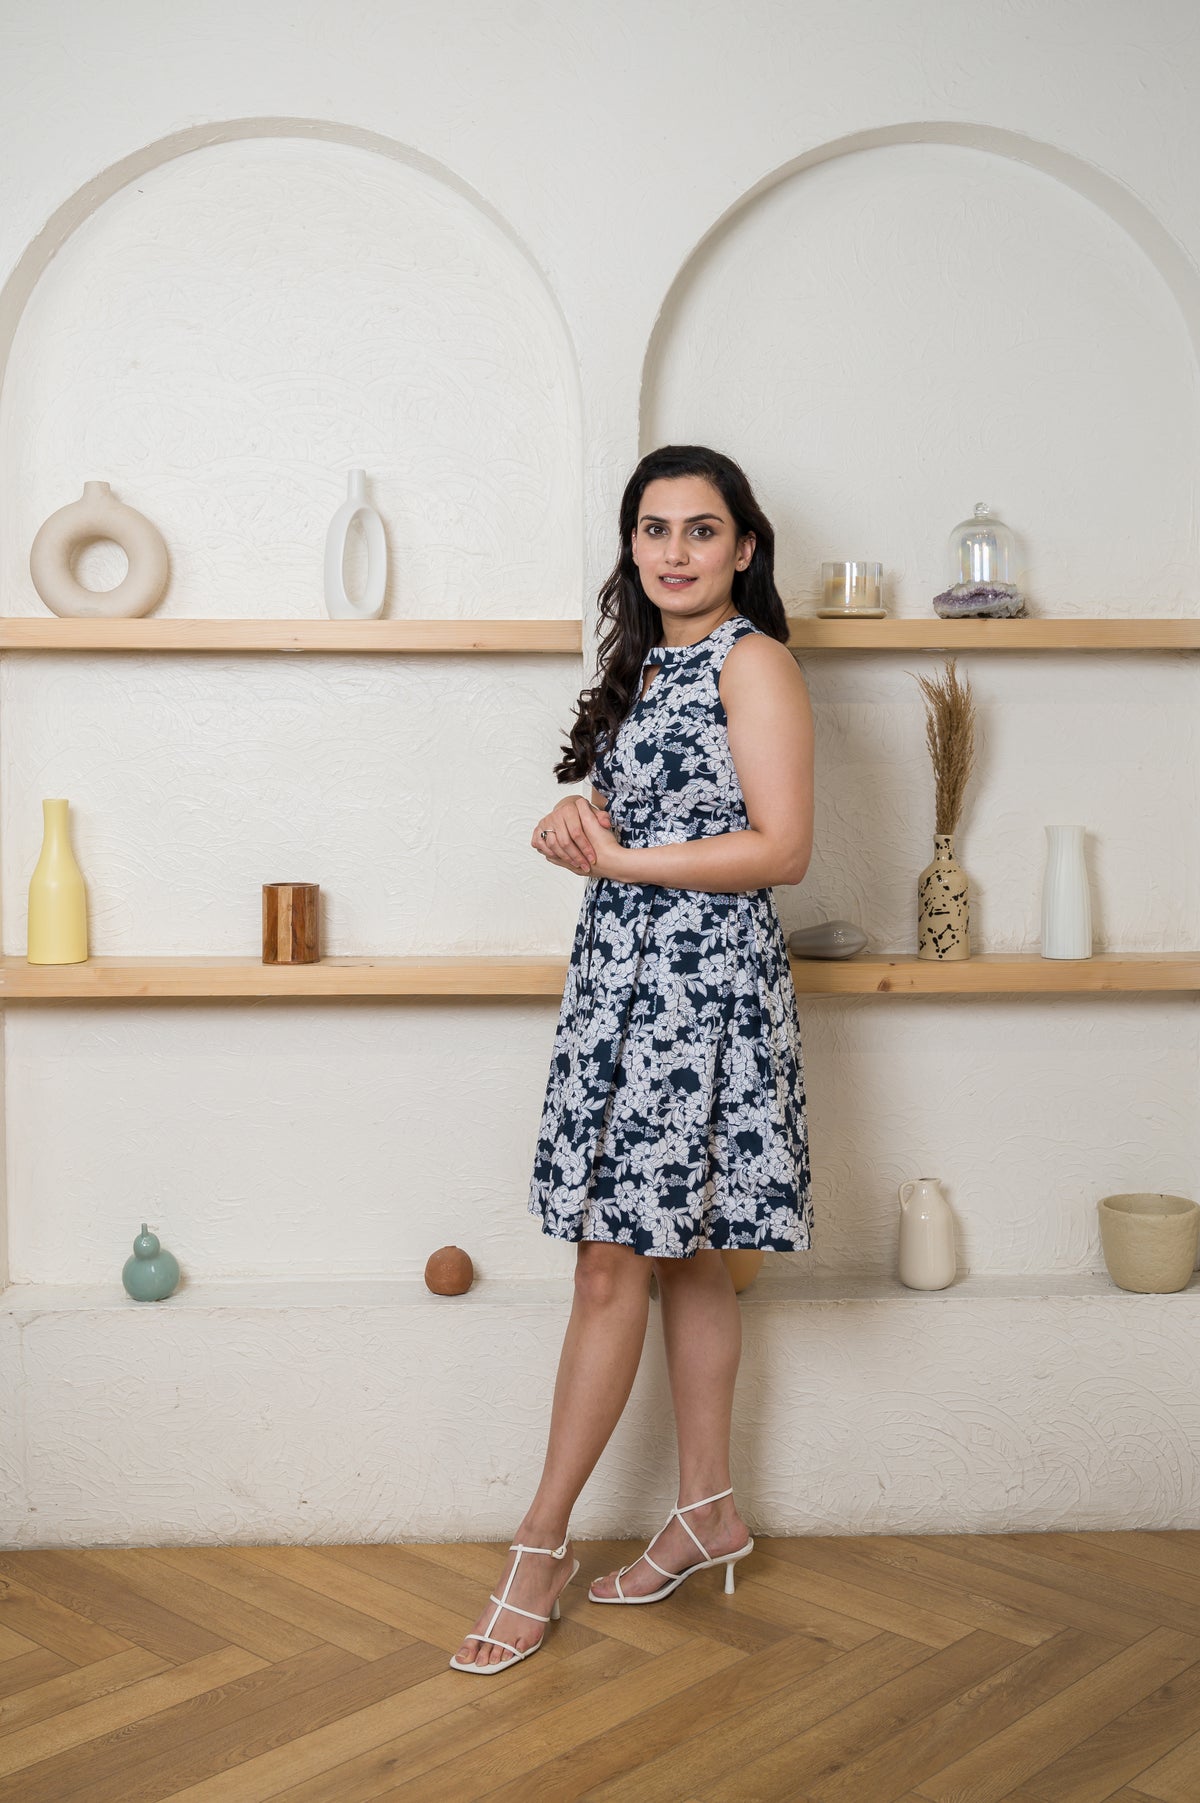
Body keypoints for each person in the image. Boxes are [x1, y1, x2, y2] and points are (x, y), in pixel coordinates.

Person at [450, 444, 814, 1673]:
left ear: (744, 548)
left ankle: (536, 1546)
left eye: (700, 531)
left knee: (614, 1263)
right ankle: (706, 1509)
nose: (674, 551)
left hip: (699, 993)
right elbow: (657, 823)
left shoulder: (753, 662)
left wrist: (623, 864)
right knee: (687, 1257)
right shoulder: (648, 663)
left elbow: (780, 849)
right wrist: (581, 824)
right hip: (623, 979)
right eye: (653, 529)